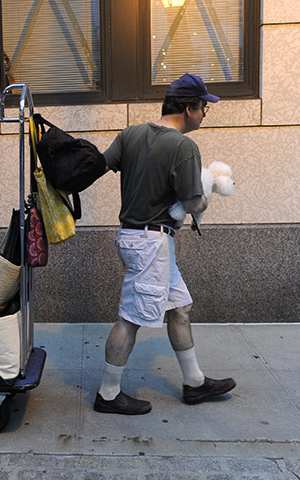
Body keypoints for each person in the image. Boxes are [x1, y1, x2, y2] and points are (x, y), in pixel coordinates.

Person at [94, 73, 236, 415]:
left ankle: (194, 382)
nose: (204, 114)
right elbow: (191, 204)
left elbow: (103, 164)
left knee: (179, 308)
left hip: (139, 238)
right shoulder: (184, 147)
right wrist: (211, 190)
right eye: (203, 107)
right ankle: (108, 393)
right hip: (150, 243)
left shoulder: (130, 134)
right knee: (130, 319)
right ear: (188, 108)